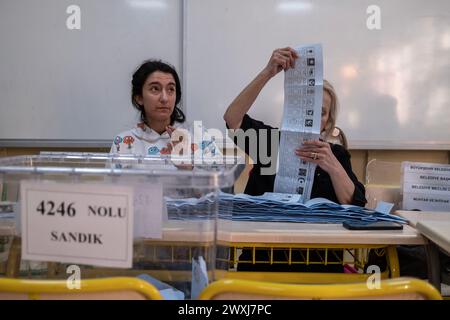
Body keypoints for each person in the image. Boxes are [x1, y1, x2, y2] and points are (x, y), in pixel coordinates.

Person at [223, 47, 367, 271]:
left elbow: (356, 206)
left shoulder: (337, 155)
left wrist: (334, 167)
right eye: (305, 107)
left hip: (322, 266)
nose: (310, 116)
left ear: (327, 123)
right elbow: (232, 119)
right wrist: (267, 72)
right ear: (291, 110)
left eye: (320, 112)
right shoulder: (270, 143)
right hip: (264, 263)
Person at [111, 60, 218, 159]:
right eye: (155, 89)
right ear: (139, 98)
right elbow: (113, 180)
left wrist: (190, 166)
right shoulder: (123, 141)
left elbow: (221, 175)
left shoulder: (198, 134)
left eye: (171, 89)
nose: (164, 98)